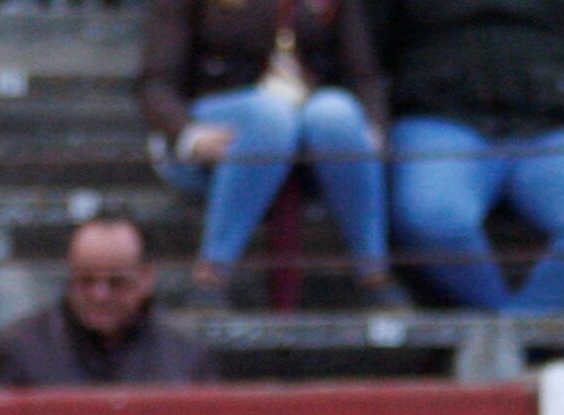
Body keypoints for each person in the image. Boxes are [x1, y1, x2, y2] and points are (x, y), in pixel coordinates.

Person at [371, 0, 564, 314]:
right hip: (440, 119)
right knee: (430, 215)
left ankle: (506, 340)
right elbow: (368, 47)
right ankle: (513, 340)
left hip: (557, 124)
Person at [139, 0, 402, 306]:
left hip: (313, 139)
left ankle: (374, 274)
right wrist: (188, 134)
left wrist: (372, 129)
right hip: (217, 130)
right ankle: (211, 276)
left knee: (336, 114)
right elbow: (156, 84)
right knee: (271, 115)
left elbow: (364, 77)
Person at [0, 215, 216, 387]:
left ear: (146, 279)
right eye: (86, 281)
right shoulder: (19, 349)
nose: (100, 295)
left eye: (117, 282)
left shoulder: (183, 354)